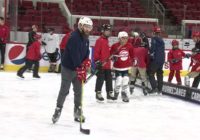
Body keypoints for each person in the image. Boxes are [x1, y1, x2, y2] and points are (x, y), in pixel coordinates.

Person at [52, 16, 93, 124]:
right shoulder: (74, 37)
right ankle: (58, 109)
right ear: (80, 25)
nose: (88, 29)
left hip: (78, 68)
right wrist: (80, 68)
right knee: (64, 90)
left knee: (78, 91)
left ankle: (78, 111)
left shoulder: (86, 37)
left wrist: (87, 61)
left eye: (90, 27)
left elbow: (86, 52)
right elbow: (74, 55)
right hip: (68, 68)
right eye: (86, 26)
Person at [93, 24, 116, 102]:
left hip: (107, 64)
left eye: (109, 31)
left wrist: (112, 57)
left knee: (109, 79)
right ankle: (98, 93)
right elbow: (96, 53)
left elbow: (107, 53)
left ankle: (109, 93)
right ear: (103, 31)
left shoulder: (107, 40)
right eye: (107, 31)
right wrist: (97, 61)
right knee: (100, 79)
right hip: (101, 65)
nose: (109, 32)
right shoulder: (99, 40)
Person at [110, 31, 133, 102]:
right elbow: (110, 56)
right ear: (119, 38)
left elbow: (132, 55)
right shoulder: (114, 46)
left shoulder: (129, 45)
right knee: (119, 80)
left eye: (126, 38)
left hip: (126, 67)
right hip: (118, 67)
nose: (125, 40)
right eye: (123, 38)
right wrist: (113, 58)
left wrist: (134, 60)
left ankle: (124, 94)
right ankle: (116, 93)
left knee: (125, 81)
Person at [148, 26, 165, 94]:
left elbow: (152, 49)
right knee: (159, 73)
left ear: (154, 32)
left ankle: (154, 88)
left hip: (156, 59)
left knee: (151, 73)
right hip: (162, 59)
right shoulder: (161, 39)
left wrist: (150, 51)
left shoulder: (154, 39)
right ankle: (160, 89)